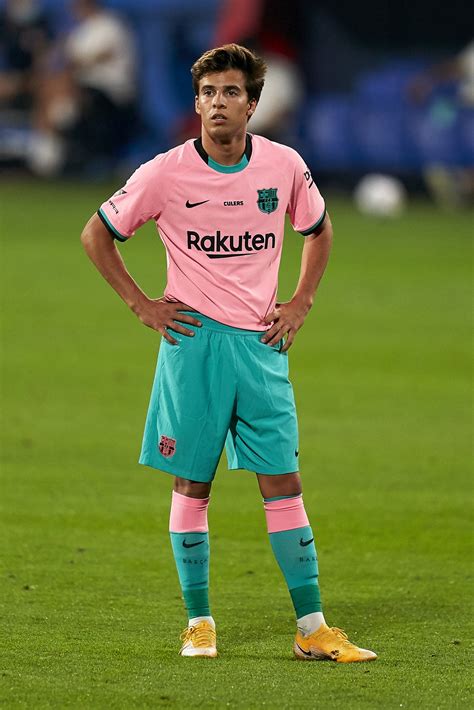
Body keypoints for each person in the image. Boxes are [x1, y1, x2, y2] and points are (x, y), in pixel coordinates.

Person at [81, 44, 377, 663]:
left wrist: (300, 302)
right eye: (209, 93)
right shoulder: (164, 172)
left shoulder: (284, 167)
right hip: (194, 347)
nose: (219, 103)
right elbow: (97, 234)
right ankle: (198, 622)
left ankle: (312, 627)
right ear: (197, 103)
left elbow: (318, 230)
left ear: (252, 103)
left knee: (285, 483)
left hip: (263, 347)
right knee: (194, 484)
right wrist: (143, 305)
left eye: (231, 93)